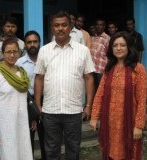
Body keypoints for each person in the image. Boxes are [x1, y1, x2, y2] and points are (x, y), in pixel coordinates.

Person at [34, 11, 95, 160]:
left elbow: (89, 78)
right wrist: (38, 104)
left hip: (74, 110)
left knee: (73, 149)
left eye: (64, 25)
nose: (60, 28)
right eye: (56, 25)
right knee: (52, 150)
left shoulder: (83, 51)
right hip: (50, 111)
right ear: (52, 28)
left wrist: (88, 105)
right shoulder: (44, 50)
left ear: (70, 27)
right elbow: (39, 78)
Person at [90, 31, 147, 160]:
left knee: (129, 154)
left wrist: (139, 126)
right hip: (110, 123)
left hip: (129, 123)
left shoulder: (138, 69)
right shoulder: (109, 68)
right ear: (111, 48)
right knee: (110, 154)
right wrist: (94, 116)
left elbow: (142, 100)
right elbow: (100, 94)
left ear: (129, 47)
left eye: (122, 45)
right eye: (115, 45)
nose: (119, 48)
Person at [0, 38, 33, 160]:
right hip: (4, 123)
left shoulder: (22, 73)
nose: (12, 55)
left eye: (15, 51)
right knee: (8, 153)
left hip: (21, 122)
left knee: (23, 152)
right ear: (2, 53)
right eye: (8, 52)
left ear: (19, 52)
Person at [16, 30, 46, 160]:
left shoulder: (46, 59)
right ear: (25, 45)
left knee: (47, 138)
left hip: (46, 102)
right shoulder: (19, 63)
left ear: (39, 43)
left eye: (35, 41)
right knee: (28, 139)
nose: (32, 44)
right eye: (29, 42)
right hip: (27, 102)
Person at [90, 18, 110, 90]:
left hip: (101, 70)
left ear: (104, 27)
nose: (99, 26)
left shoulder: (107, 38)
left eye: (101, 25)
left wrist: (108, 69)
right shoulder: (92, 38)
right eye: (97, 25)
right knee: (93, 89)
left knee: (101, 90)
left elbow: (110, 55)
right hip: (92, 69)